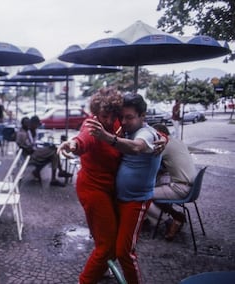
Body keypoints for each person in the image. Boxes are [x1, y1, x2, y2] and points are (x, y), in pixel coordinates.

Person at [87, 93, 163, 284]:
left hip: (136, 201)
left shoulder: (146, 134)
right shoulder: (125, 129)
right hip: (117, 198)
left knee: (124, 252)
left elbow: (137, 147)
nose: (124, 121)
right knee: (108, 242)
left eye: (130, 117)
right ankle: (104, 270)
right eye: (123, 117)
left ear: (142, 116)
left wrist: (109, 138)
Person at [57, 88, 124, 283]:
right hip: (93, 190)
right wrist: (71, 145)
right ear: (96, 114)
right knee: (106, 243)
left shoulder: (117, 123)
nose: (110, 120)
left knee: (112, 238)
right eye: (105, 116)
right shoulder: (92, 125)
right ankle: (85, 280)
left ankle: (103, 269)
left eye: (114, 115)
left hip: (110, 189)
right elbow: (82, 140)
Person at [147, 123, 197, 241]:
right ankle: (175, 215)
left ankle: (168, 221)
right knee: (156, 184)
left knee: (141, 194)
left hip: (180, 188)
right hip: (190, 186)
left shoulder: (164, 145)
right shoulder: (178, 142)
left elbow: (148, 164)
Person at [16, 116, 71, 187]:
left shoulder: (31, 131)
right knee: (54, 150)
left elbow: (32, 143)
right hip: (30, 155)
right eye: (27, 123)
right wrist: (33, 148)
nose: (36, 126)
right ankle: (59, 172)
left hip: (34, 152)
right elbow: (24, 146)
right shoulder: (22, 133)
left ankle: (53, 178)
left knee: (53, 155)